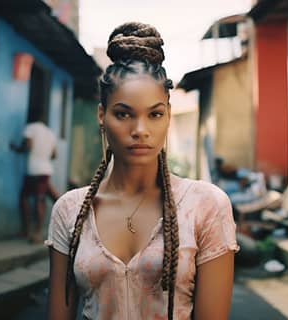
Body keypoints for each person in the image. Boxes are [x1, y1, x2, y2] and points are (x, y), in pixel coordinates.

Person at [46, 22, 239, 320]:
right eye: (123, 114)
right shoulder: (70, 211)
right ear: (102, 115)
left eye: (155, 114)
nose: (140, 130)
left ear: (168, 116)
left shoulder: (205, 206)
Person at [10, 113, 59, 244]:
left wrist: (16, 148)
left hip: (33, 170)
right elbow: (54, 155)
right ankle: (33, 232)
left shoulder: (30, 128)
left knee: (27, 198)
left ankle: (31, 232)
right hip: (46, 169)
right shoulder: (50, 132)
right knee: (38, 198)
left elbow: (28, 146)